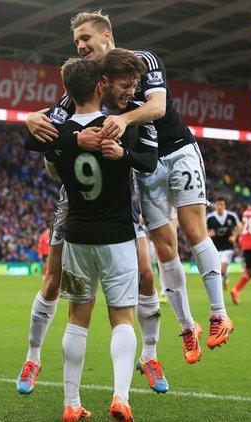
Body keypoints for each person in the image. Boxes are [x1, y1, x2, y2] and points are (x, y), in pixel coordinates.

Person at [26, 10, 233, 364]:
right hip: (143, 162)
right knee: (164, 247)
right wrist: (31, 117)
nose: (80, 45)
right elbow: (59, 115)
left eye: (86, 38)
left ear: (107, 35)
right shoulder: (94, 80)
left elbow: (158, 105)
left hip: (177, 149)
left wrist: (121, 119)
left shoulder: (143, 61)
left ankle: (218, 312)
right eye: (76, 41)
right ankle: (187, 327)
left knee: (193, 227)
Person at [30, 54, 156, 421]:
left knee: (76, 320)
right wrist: (124, 153)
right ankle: (120, 397)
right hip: (117, 237)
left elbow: (31, 143)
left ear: (67, 92)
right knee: (122, 319)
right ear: (102, 85)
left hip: (76, 237)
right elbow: (148, 161)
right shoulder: (118, 127)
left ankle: (71, 404)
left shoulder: (59, 134)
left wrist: (69, 137)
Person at [231, 194, 251, 305]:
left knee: (250, 271)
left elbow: (243, 228)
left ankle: (236, 289)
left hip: (245, 244)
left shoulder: (247, 212)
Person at [207, 197, 241, 289]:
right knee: (218, 269)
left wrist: (234, 236)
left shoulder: (231, 216)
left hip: (228, 248)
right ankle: (226, 278)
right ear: (216, 206)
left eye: (221, 204)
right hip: (215, 248)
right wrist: (209, 234)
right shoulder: (210, 218)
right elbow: (203, 230)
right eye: (218, 204)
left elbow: (240, 225)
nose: (220, 207)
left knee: (222, 269)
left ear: (225, 205)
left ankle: (219, 287)